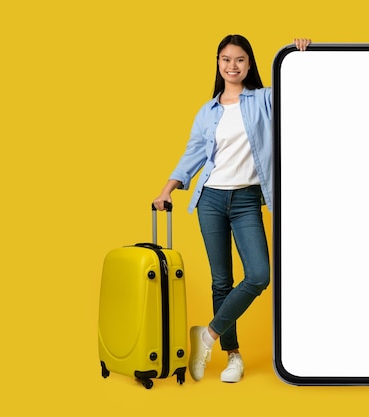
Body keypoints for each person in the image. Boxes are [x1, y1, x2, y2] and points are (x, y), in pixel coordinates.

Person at [153, 35, 311, 383]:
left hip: (246, 200)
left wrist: (300, 54)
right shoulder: (208, 111)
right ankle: (233, 356)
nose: (232, 66)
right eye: (225, 59)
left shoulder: (264, 99)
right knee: (221, 281)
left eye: (239, 59)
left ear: (250, 64)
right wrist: (167, 190)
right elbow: (192, 154)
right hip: (210, 199)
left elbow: (298, 92)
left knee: (258, 274)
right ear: (218, 63)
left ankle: (206, 336)